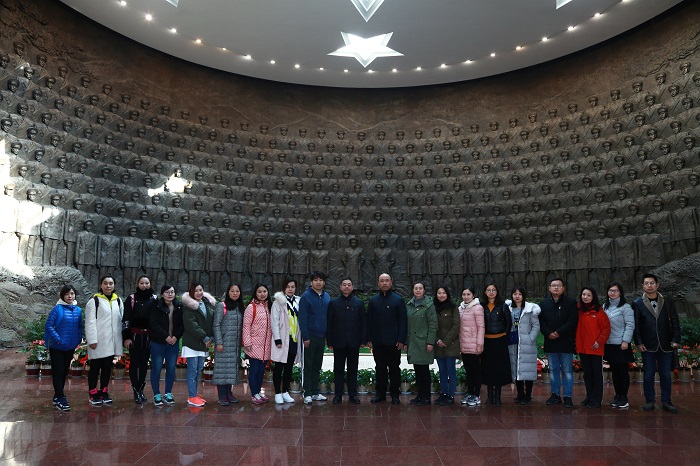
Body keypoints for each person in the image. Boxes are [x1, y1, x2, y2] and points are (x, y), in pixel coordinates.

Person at [632, 273, 681, 413]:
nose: (650, 285)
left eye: (652, 283)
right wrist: (639, 342)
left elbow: (675, 321)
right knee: (648, 374)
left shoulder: (668, 302)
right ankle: (650, 401)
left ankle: (666, 401)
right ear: (643, 286)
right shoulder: (637, 303)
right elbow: (636, 325)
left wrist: (675, 339)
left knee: (665, 374)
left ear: (657, 285)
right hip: (648, 345)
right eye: (646, 283)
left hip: (666, 344)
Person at [367, 273, 407, 405]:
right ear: (378, 283)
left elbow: (403, 321)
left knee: (394, 369)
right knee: (380, 369)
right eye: (382, 281)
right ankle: (380, 394)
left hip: (394, 342)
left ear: (391, 282)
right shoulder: (373, 301)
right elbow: (369, 321)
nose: (384, 283)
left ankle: (395, 394)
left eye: (387, 281)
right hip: (378, 342)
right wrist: (369, 339)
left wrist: (401, 339)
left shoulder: (398, 300)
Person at [85, 275, 124, 405]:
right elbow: (90, 322)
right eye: (105, 283)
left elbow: (121, 320)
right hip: (98, 341)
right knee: (95, 367)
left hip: (111, 341)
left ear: (114, 285)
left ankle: (104, 391)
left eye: (111, 283)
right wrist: (92, 339)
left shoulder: (118, 300)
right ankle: (92, 392)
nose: (108, 286)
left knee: (107, 367)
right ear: (100, 285)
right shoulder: (94, 301)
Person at [327, 277, 366, 404]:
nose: (346, 287)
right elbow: (330, 323)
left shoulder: (359, 303)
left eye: (349, 284)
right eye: (344, 284)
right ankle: (338, 394)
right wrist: (330, 341)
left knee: (353, 369)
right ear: (340, 287)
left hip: (354, 342)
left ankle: (353, 394)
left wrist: (363, 340)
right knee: (338, 369)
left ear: (352, 287)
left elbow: (363, 323)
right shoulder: (334, 303)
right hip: (338, 341)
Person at [539, 278, 578, 408]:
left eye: (559, 286)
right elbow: (541, 322)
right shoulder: (543, 304)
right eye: (554, 285)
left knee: (567, 371)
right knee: (553, 370)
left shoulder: (570, 302)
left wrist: (559, 332)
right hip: (551, 341)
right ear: (549, 288)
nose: (556, 288)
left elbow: (572, 321)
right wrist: (549, 333)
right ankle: (555, 395)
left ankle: (567, 396)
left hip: (566, 341)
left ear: (563, 288)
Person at [44, 285, 82, 411]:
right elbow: (49, 326)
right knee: (58, 371)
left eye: (72, 293)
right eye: (67, 294)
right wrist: (58, 339)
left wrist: (78, 339)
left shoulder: (78, 310)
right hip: (57, 347)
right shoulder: (57, 309)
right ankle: (60, 397)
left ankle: (57, 395)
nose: (70, 296)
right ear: (62, 296)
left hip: (70, 346)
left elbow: (79, 327)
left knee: (64, 371)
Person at [122, 275, 156, 404]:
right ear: (137, 284)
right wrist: (126, 337)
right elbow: (126, 319)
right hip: (134, 336)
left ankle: (141, 389)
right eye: (142, 283)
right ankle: (135, 390)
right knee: (134, 363)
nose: (144, 285)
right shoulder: (131, 299)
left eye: (147, 283)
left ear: (150, 284)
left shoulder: (154, 299)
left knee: (144, 364)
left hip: (148, 337)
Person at [181, 282, 216, 407]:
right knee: (192, 370)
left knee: (199, 369)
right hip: (192, 343)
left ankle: (194, 393)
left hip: (203, 343)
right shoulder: (188, 306)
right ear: (191, 292)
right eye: (196, 290)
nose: (199, 293)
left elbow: (211, 321)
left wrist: (211, 336)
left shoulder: (207, 303)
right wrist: (204, 337)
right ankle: (191, 396)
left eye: (200, 290)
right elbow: (191, 325)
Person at [149, 284, 184, 406]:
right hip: (158, 342)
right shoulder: (156, 305)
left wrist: (175, 337)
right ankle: (156, 394)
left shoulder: (179, 306)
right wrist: (166, 336)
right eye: (167, 292)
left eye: (172, 292)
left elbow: (182, 324)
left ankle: (168, 393)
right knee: (156, 368)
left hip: (173, 343)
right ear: (162, 294)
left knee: (171, 368)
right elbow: (153, 324)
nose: (170, 294)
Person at [298, 271, 331, 404]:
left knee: (317, 365)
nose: (318, 282)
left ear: (324, 282)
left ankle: (315, 392)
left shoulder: (327, 296)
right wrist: (305, 337)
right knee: (308, 365)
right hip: (310, 336)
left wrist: (328, 336)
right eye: (316, 280)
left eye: (321, 280)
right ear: (311, 282)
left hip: (321, 336)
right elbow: (303, 318)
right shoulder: (306, 297)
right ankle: (307, 393)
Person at [576, 287, 610, 408]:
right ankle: (589, 396)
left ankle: (596, 399)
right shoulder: (578, 310)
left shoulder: (599, 312)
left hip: (595, 348)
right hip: (583, 348)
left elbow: (606, 329)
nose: (585, 297)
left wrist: (600, 341)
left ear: (593, 297)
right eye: (583, 294)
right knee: (587, 374)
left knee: (596, 374)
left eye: (588, 295)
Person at [506, 286, 541, 405]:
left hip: (526, 344)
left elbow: (536, 325)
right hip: (513, 343)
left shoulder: (530, 309)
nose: (517, 296)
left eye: (520, 294)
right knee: (516, 368)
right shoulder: (509, 309)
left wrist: (530, 338)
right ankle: (520, 393)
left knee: (527, 368)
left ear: (523, 296)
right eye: (515, 294)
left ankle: (528, 394)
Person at [603, 282, 635, 409]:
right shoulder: (605, 306)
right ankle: (617, 395)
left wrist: (626, 340)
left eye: (615, 291)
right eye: (610, 290)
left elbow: (630, 325)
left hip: (621, 344)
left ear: (620, 292)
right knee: (615, 371)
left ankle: (624, 397)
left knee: (622, 371)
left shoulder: (626, 307)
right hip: (609, 344)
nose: (613, 293)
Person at [213, 283, 245, 406]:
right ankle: (222, 395)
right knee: (222, 370)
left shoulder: (239, 307)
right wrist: (219, 342)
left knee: (231, 370)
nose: (235, 293)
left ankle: (229, 393)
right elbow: (216, 324)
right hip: (224, 344)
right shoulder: (222, 306)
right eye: (232, 291)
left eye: (237, 291)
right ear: (228, 292)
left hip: (235, 345)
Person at [406, 281, 437, 406]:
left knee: (424, 370)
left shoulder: (429, 305)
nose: (418, 290)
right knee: (417, 369)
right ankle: (419, 395)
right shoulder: (409, 305)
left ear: (424, 290)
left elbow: (433, 325)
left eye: (420, 288)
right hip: (413, 342)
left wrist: (430, 342)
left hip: (424, 342)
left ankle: (426, 396)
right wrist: (406, 342)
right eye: (416, 288)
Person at [270, 278, 301, 404]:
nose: (290, 289)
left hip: (293, 339)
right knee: (279, 367)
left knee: (289, 367)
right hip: (282, 339)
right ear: (284, 288)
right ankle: (277, 393)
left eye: (292, 287)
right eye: (288, 287)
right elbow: (274, 321)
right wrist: (277, 339)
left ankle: (285, 392)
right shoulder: (278, 302)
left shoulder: (298, 301)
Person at [480, 283, 512, 406]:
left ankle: (498, 396)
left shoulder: (503, 305)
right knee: (488, 368)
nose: (491, 292)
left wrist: (504, 335)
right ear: (485, 292)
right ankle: (490, 396)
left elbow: (508, 323)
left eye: (493, 290)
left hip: (499, 341)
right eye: (489, 290)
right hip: (486, 341)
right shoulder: (481, 306)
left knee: (499, 369)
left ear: (497, 292)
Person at [242, 283, 272, 404]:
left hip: (266, 346)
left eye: (264, 291)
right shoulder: (251, 307)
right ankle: (254, 394)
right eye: (259, 292)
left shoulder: (269, 306)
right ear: (255, 293)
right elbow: (246, 326)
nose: (262, 294)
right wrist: (247, 342)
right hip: (254, 345)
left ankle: (258, 392)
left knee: (261, 371)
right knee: (254, 371)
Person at [433, 285, 460, 406]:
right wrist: (437, 340)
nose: (441, 295)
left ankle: (451, 395)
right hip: (438, 345)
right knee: (442, 371)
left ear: (447, 294)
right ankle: (443, 393)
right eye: (439, 293)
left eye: (444, 293)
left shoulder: (453, 307)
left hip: (450, 344)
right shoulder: (433, 307)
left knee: (451, 370)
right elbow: (431, 325)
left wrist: (446, 340)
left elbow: (456, 325)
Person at [458, 287, 484, 406]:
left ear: (473, 295)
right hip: (464, 344)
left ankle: (476, 395)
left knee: (476, 371)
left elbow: (481, 327)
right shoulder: (460, 308)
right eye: (464, 294)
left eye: (468, 294)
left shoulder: (477, 308)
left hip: (474, 345)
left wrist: (480, 344)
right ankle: (470, 393)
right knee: (468, 371)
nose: (466, 296)